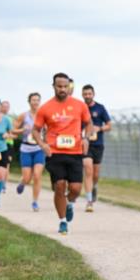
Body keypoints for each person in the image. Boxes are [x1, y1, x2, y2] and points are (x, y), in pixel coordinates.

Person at [32, 73, 93, 235]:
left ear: (69, 87)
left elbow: (89, 124)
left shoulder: (80, 105)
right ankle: (63, 221)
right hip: (55, 152)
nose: (63, 89)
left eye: (65, 86)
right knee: (59, 186)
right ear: (53, 86)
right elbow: (36, 130)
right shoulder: (45, 108)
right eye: (59, 86)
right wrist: (42, 144)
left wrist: (86, 138)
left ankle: (70, 203)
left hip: (75, 152)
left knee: (75, 188)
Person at [80, 84, 111, 212]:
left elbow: (109, 125)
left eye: (89, 94)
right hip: (84, 144)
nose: (87, 96)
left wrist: (100, 128)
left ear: (93, 94)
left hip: (98, 144)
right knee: (88, 170)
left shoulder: (100, 108)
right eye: (85, 94)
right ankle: (89, 201)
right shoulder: (79, 107)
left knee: (95, 174)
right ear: (82, 95)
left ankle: (94, 186)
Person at [14, 92, 46, 211]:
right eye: (33, 100)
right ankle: (23, 183)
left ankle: (35, 202)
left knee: (37, 175)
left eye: (37, 100)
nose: (36, 102)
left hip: (39, 148)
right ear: (29, 102)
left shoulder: (44, 116)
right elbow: (13, 130)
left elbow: (50, 130)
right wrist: (23, 129)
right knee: (27, 177)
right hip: (26, 149)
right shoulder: (23, 116)